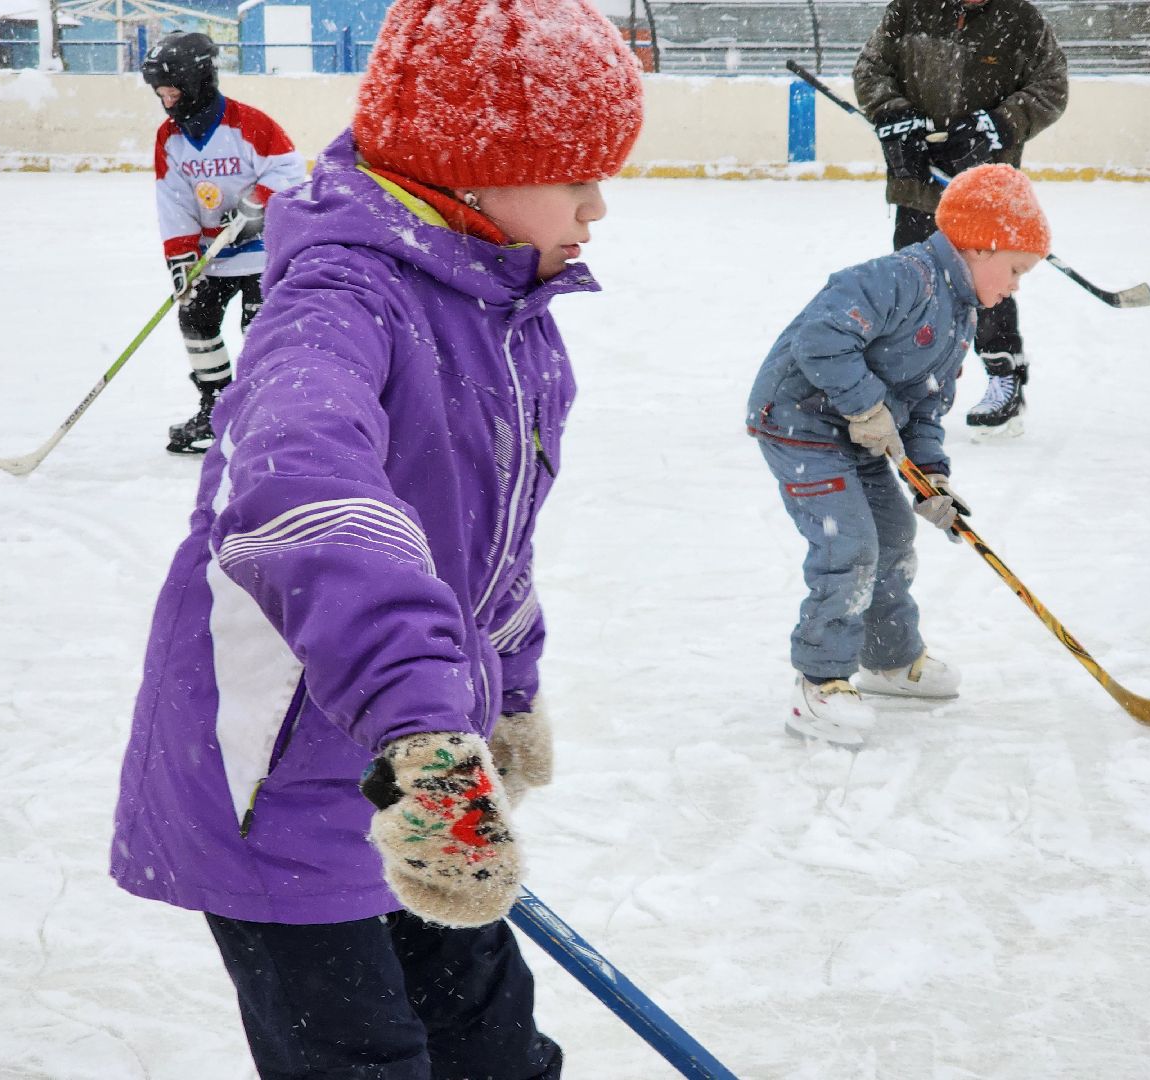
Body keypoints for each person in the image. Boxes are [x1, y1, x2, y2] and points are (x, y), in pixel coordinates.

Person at [110, 0, 644, 1075]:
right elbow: (300, 490)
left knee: (494, 1049)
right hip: (280, 785)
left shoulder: (510, 319)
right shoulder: (337, 301)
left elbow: (488, 549)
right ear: (471, 168)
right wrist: (423, 728)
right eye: (574, 172)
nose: (598, 204)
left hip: (416, 766)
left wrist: (508, 690)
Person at [746, 165, 1050, 746]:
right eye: (1016, 269)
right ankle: (820, 682)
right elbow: (820, 338)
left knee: (892, 537)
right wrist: (865, 405)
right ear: (980, 246)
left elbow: (927, 403)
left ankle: (887, 659)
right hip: (800, 422)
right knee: (849, 544)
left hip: (859, 431)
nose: (1016, 285)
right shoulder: (901, 278)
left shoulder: (959, 315)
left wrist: (931, 477)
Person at [853, 0, 1067, 436]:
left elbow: (1051, 87)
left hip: (983, 189)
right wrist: (895, 114)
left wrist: (997, 125)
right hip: (919, 183)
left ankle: (1003, 372)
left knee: (988, 283)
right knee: (913, 286)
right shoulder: (910, 8)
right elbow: (871, 70)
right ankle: (905, 383)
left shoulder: (1019, 18)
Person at [142, 31, 307, 455]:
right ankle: (216, 409)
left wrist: (257, 206)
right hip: (212, 257)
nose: (167, 101)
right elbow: (173, 199)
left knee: (259, 330)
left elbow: (290, 173)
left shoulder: (249, 123)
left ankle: (264, 413)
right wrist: (181, 257)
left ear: (197, 82)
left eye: (173, 91)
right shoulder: (169, 138)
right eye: (161, 94)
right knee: (195, 320)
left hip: (265, 254)